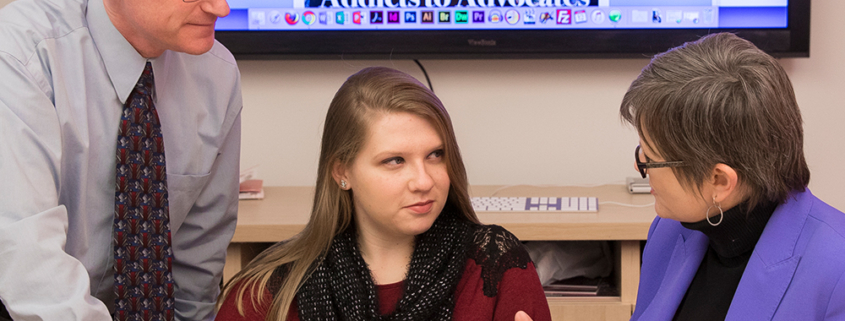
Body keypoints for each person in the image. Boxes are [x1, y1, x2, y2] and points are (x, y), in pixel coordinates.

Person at [215, 67, 551, 321]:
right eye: (395, 161)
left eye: (436, 155)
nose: (423, 181)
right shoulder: (261, 295)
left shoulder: (497, 266)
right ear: (341, 171)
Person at [0, 0, 241, 318]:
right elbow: (30, 265)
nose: (220, 8)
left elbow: (196, 273)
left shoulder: (217, 73)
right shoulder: (20, 52)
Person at [622, 33, 845, 320]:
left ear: (720, 182)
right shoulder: (669, 231)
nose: (641, 168)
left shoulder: (836, 269)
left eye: (651, 160)